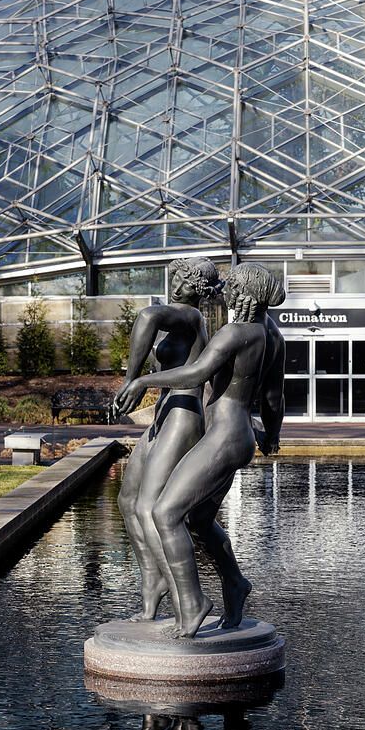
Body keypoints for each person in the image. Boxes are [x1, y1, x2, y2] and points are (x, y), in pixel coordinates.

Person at [114, 263, 285, 638]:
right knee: (199, 520)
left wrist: (142, 380)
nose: (225, 292)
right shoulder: (273, 334)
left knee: (165, 512)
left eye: (231, 286)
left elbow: (196, 374)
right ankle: (235, 583)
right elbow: (274, 397)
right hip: (240, 435)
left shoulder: (235, 333)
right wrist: (271, 436)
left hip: (224, 437)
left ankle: (191, 604)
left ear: (244, 294)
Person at [114, 257, 217, 624]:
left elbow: (146, 317)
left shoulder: (191, 317)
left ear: (199, 291)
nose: (176, 286)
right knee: (128, 501)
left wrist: (132, 380)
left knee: (149, 508)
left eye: (185, 281)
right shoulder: (181, 320)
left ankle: (189, 600)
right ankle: (153, 579)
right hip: (164, 413)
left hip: (182, 416)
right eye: (175, 278)